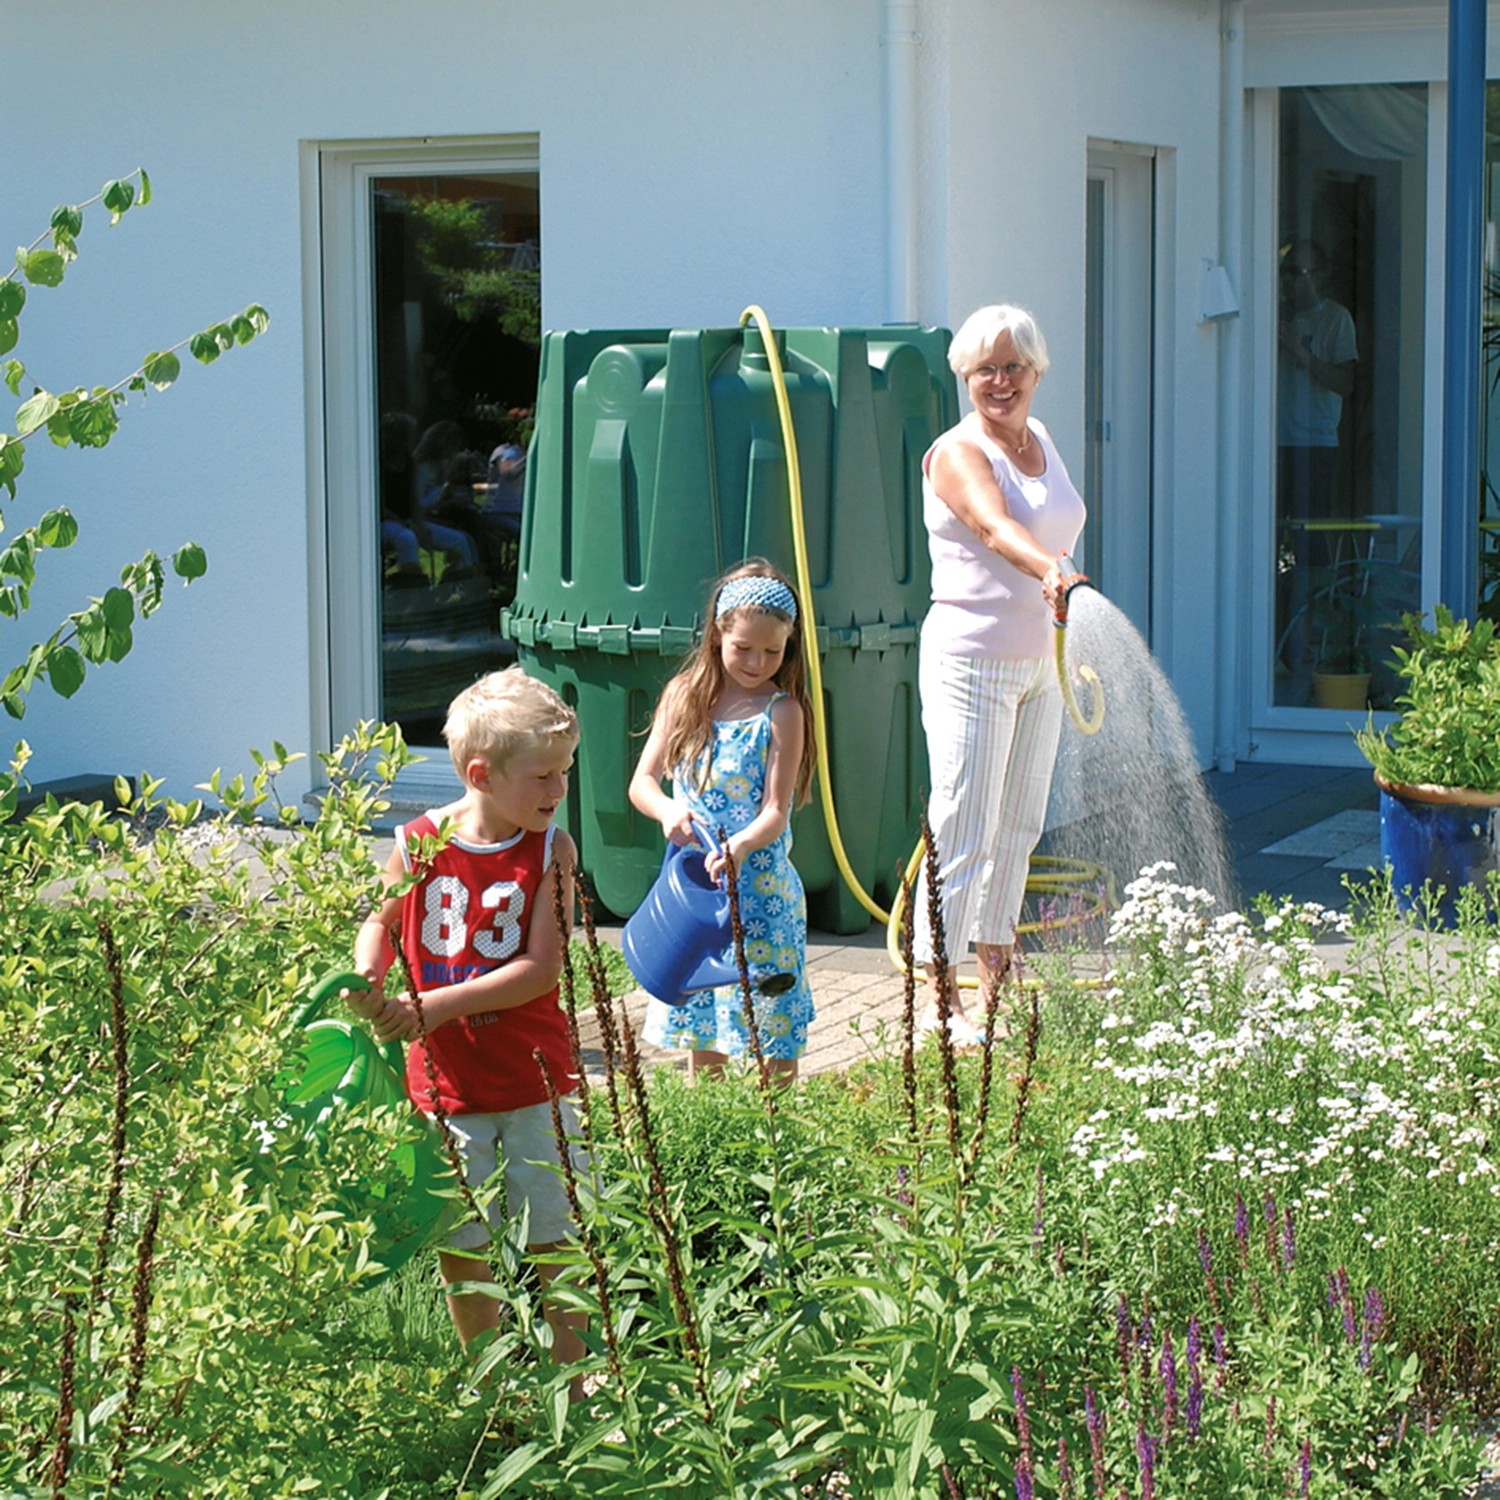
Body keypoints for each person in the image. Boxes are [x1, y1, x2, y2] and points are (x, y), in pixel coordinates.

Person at [344, 667, 587, 1390]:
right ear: (481, 774)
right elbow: (380, 922)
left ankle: (573, 1387)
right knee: (464, 1241)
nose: (559, 789)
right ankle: (489, 1385)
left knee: (556, 1237)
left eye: (565, 771)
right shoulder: (419, 842)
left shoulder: (551, 852)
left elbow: (541, 969)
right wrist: (368, 974)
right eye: (543, 775)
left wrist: (432, 1009)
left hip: (535, 1082)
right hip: (446, 1088)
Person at [914, 304, 1086, 1043]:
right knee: (965, 824)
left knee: (1018, 827)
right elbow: (992, 527)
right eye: (984, 368)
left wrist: (1060, 592)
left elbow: (1052, 522)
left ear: (1037, 372)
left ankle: (994, 992)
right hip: (972, 661)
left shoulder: (1040, 440)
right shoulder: (958, 451)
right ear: (965, 375)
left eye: (1013, 365)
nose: (999, 380)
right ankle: (937, 1005)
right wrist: (1056, 572)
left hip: (1040, 662)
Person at [630, 560, 818, 1083]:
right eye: (744, 647)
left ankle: (777, 1116)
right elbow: (642, 782)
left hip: (762, 893)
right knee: (702, 1019)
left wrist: (740, 846)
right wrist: (669, 810)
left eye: (772, 651)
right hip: (697, 894)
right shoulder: (684, 696)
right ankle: (707, 1110)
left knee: (772, 1020)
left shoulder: (782, 712)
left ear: (789, 645)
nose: (757, 662)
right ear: (717, 633)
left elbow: (775, 811)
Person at [1275, 238, 1358, 682]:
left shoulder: (1334, 319)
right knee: (1267, 547)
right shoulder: (1274, 315)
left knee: (1312, 550)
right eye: (1285, 272)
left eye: (1297, 273)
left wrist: (1299, 352)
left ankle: (1316, 648)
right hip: (1272, 446)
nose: (1289, 282)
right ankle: (1273, 646)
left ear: (1318, 276)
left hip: (1315, 447)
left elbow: (1345, 383)